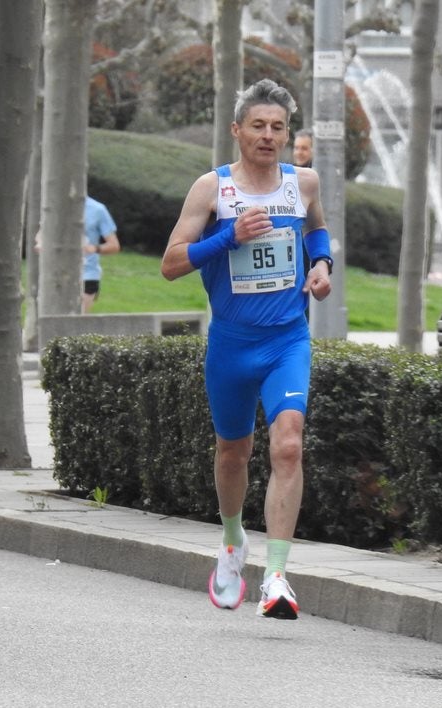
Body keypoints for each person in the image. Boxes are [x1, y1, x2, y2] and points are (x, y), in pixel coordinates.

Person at [160, 79, 334, 619]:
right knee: (232, 452)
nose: (267, 135)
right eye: (257, 125)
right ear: (237, 130)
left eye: (277, 127)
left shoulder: (302, 183)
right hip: (231, 345)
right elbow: (171, 263)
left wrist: (322, 265)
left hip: (287, 339)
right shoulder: (211, 190)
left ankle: (277, 577)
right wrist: (228, 238)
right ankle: (233, 541)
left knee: (288, 445)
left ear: (288, 134)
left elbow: (317, 233)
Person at [81, 195, 120, 313]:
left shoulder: (97, 209)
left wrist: (94, 248)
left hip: (87, 275)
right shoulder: (54, 207)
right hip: (57, 274)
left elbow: (114, 246)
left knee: (75, 323)